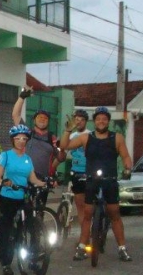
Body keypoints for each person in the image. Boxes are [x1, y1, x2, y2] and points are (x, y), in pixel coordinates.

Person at [59, 106, 133, 262]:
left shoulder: (117, 137)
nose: (101, 121)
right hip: (91, 180)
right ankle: (81, 247)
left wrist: (128, 168)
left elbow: (126, 156)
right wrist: (67, 131)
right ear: (95, 121)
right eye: (98, 119)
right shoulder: (86, 137)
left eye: (104, 119)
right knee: (87, 215)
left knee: (114, 214)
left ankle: (122, 248)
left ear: (108, 121)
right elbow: (64, 146)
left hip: (110, 180)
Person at [0, 125, 47, 275]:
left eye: (24, 139)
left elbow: (32, 178)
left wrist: (44, 183)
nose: (21, 141)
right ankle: (6, 262)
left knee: (32, 228)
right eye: (18, 139)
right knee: (7, 230)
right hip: (8, 197)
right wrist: (4, 182)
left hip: (23, 196)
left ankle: (32, 260)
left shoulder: (27, 159)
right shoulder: (5, 156)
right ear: (12, 140)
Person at [11, 86, 64, 188]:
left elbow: (60, 158)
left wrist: (63, 149)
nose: (42, 119)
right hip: (24, 176)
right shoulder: (27, 132)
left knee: (40, 204)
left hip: (43, 180)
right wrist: (22, 97)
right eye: (39, 117)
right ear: (34, 120)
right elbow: (15, 115)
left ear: (48, 121)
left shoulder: (52, 138)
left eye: (45, 118)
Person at [66, 109, 91, 234]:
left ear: (86, 122)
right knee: (80, 206)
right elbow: (62, 151)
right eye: (76, 120)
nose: (79, 122)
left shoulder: (90, 135)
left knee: (90, 206)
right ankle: (85, 234)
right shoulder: (70, 136)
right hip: (76, 173)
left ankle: (95, 227)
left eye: (81, 120)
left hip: (90, 173)